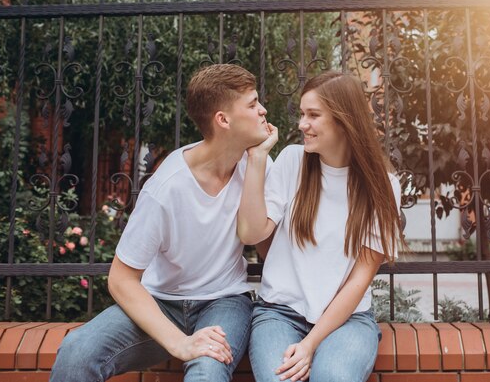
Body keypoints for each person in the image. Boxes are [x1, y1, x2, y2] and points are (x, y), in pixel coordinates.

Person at [50, 64, 274, 382]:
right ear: (223, 120)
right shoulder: (167, 187)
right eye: (252, 104)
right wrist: (179, 343)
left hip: (226, 300)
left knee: (207, 369)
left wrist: (260, 158)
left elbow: (260, 239)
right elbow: (122, 279)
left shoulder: (258, 164)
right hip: (162, 303)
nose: (263, 109)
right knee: (76, 353)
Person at [238, 71, 404, 382]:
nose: (302, 124)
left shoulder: (384, 185)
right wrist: (258, 157)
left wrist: (310, 345)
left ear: (345, 120)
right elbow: (251, 234)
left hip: (348, 320)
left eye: (313, 115)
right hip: (279, 314)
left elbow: (359, 281)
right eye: (302, 114)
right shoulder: (291, 161)